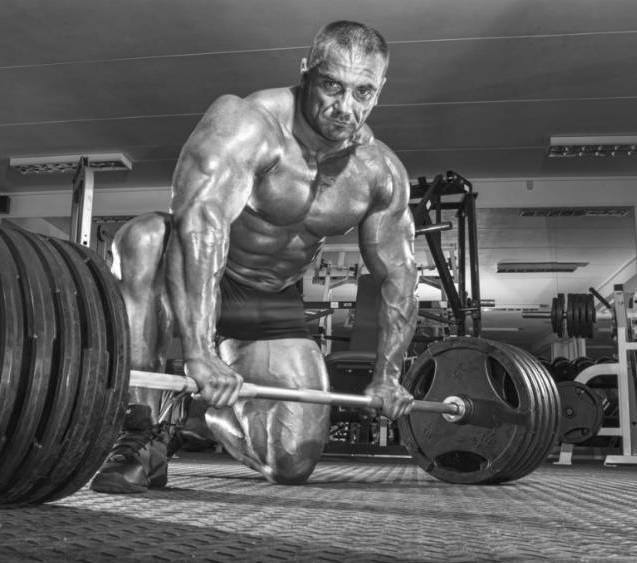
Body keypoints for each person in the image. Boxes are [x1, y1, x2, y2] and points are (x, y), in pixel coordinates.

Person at [90, 20, 418, 494]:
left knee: (291, 464)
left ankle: (199, 421)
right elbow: (200, 226)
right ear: (306, 71)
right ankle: (139, 432)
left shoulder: (380, 171)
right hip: (199, 275)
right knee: (142, 238)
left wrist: (388, 378)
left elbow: (399, 277)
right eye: (332, 86)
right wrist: (199, 352)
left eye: (363, 92)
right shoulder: (248, 123)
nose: (346, 107)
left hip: (271, 300)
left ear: (380, 89)